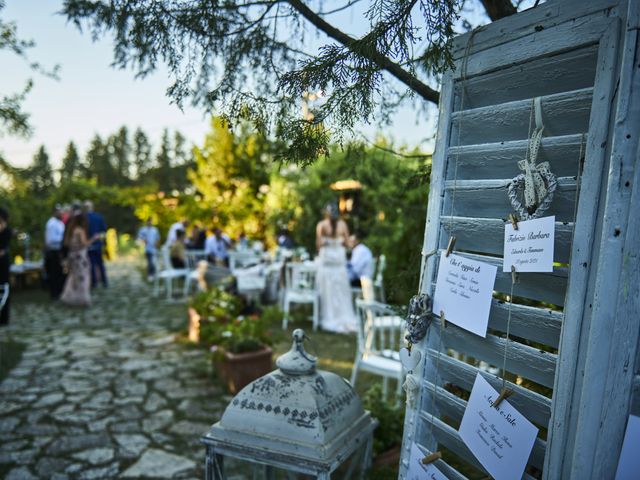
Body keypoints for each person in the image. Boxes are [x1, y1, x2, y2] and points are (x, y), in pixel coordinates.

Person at [315, 204, 356, 333]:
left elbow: (319, 245)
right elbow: (348, 243)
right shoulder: (343, 225)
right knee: (341, 292)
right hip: (338, 262)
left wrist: (328, 242)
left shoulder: (321, 225)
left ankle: (330, 317)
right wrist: (345, 242)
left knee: (328, 291)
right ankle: (343, 316)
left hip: (328, 262)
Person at [60, 212, 93, 306]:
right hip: (80, 257)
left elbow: (66, 244)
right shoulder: (80, 230)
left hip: (72, 256)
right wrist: (94, 238)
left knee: (73, 277)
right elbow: (84, 243)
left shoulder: (70, 230)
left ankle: (69, 297)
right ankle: (83, 298)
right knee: (83, 277)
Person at [84, 200, 108, 288]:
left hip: (88, 245)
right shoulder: (99, 217)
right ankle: (104, 281)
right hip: (97, 245)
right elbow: (104, 232)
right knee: (100, 264)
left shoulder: (83, 218)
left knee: (92, 265)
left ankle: (94, 283)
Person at [44, 206, 67, 299]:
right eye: (59, 212)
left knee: (59, 273)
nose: (61, 214)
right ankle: (54, 294)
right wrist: (64, 240)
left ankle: (59, 291)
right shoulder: (51, 224)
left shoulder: (59, 223)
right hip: (53, 251)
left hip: (59, 251)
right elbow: (51, 239)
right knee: (54, 273)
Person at [0, 208, 11, 326]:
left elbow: (3, 250)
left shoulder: (7, 230)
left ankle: (4, 317)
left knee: (5, 288)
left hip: (3, 263)